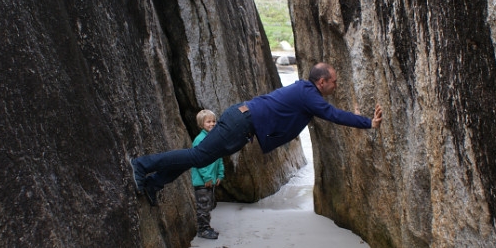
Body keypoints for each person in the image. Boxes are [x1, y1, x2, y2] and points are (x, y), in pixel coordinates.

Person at [130, 62, 382, 205]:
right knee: (198, 156)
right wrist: (367, 122)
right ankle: (142, 165)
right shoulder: (309, 95)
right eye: (334, 82)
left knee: (200, 158)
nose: (336, 86)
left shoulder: (305, 91)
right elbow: (333, 115)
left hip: (242, 125)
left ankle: (154, 183)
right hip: (241, 121)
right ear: (322, 82)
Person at [191, 109, 224, 240]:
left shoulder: (214, 138)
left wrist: (220, 175)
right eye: (208, 122)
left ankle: (207, 227)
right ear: (201, 124)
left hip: (211, 179)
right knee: (203, 205)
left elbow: (219, 157)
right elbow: (198, 160)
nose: (212, 124)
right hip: (202, 181)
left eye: (214, 121)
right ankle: (203, 230)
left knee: (208, 204)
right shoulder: (199, 140)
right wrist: (207, 177)